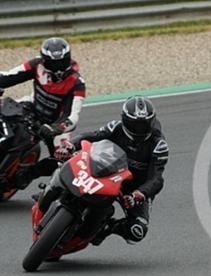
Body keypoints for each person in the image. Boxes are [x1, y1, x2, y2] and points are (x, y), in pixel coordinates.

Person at [57, 95, 169, 245]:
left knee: (137, 231)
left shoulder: (158, 145)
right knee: (66, 161)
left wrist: (140, 193)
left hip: (134, 188)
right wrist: (71, 145)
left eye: (143, 124)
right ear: (125, 120)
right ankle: (53, 190)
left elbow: (156, 178)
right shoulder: (116, 127)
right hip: (107, 173)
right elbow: (91, 136)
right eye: (134, 124)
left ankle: (109, 227)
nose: (139, 129)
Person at [0, 37, 86, 188]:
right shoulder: (36, 64)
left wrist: (55, 128)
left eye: (61, 62)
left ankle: (27, 175)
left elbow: (72, 116)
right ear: (45, 60)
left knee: (62, 159)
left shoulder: (77, 82)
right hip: (32, 108)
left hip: (55, 123)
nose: (57, 68)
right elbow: (9, 76)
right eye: (53, 63)